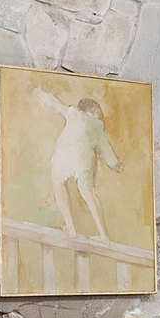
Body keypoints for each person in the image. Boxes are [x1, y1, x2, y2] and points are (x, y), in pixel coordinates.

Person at [38, 86, 122, 241]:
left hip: (63, 154)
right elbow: (105, 148)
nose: (101, 114)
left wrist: (41, 94)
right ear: (92, 109)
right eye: (99, 111)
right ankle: (104, 235)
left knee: (58, 183)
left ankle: (70, 227)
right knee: (89, 194)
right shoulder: (97, 125)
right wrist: (114, 164)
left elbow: (55, 105)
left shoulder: (72, 113)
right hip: (83, 159)